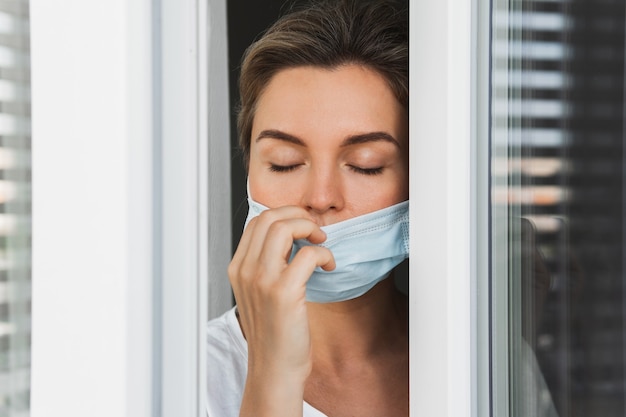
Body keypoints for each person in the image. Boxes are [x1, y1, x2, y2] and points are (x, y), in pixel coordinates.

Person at [206, 1, 409, 416]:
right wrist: (270, 376)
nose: (320, 198)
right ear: (250, 169)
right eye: (284, 162)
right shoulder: (184, 380)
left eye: (365, 165)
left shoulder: (483, 355)